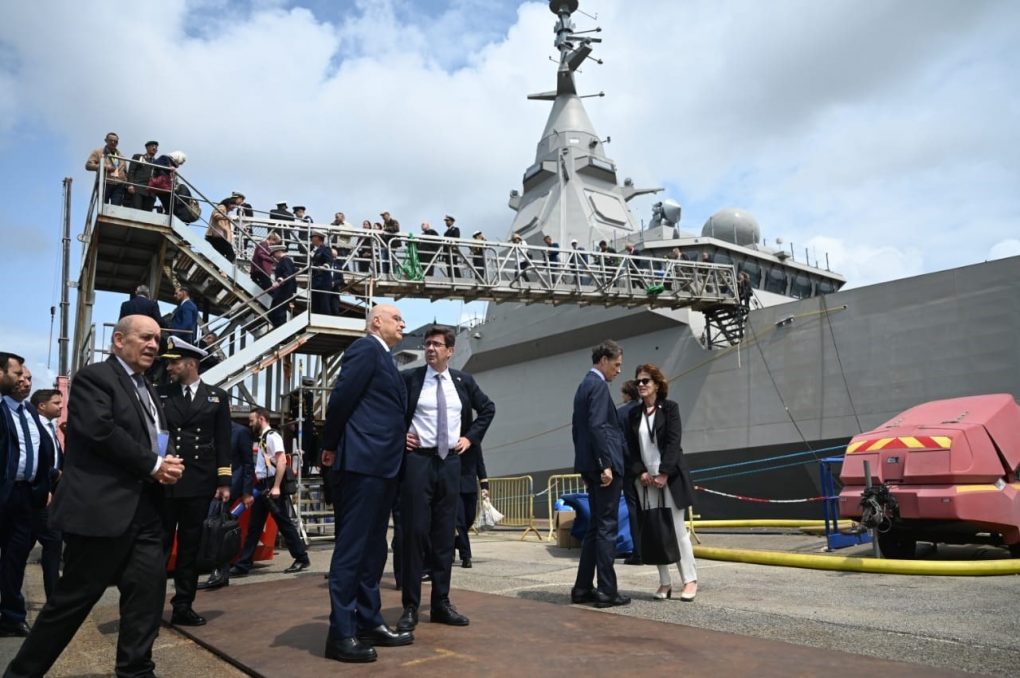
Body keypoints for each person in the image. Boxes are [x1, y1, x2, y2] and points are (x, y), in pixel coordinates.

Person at [3, 316, 185, 678]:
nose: (154, 345)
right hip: (104, 511)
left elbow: (154, 435)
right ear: (118, 340)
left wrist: (168, 460)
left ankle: (136, 670)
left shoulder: (147, 387)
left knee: (146, 596)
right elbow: (100, 430)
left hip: (148, 511)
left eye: (157, 339)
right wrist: (153, 464)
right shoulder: (95, 378)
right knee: (72, 601)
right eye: (145, 337)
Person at [320, 304, 412, 663]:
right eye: (397, 318)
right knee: (352, 550)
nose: (403, 323)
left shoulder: (384, 356)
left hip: (383, 466)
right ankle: (340, 633)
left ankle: (369, 622)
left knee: (374, 550)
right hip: (363, 463)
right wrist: (330, 445)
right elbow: (342, 398)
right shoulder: (365, 349)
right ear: (376, 321)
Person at [397, 326, 495, 633]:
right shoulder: (410, 379)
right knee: (414, 532)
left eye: (437, 345)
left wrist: (470, 438)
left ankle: (440, 602)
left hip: (451, 463)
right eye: (427, 344)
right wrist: (399, 434)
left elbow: (488, 409)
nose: (430, 349)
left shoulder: (463, 382)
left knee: (443, 536)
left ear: (450, 351)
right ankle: (410, 606)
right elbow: (388, 410)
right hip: (418, 462)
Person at [157, 338, 232, 627]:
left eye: (174, 363)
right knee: (159, 546)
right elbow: (157, 435)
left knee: (190, 547)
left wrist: (224, 481)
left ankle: (183, 605)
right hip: (166, 479)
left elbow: (223, 441)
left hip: (199, 481)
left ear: (191, 364)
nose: (169, 367)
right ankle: (150, 607)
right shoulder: (160, 394)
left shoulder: (216, 397)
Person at [624, 363, 697, 602]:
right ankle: (665, 582)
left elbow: (674, 442)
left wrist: (664, 473)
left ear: (657, 384)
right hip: (646, 481)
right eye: (638, 381)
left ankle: (690, 580)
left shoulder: (670, 408)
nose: (641, 385)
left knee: (676, 530)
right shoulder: (634, 414)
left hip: (669, 478)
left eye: (645, 381)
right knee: (654, 530)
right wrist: (641, 472)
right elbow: (631, 448)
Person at [569, 340, 630, 609]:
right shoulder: (599, 386)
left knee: (595, 528)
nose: (619, 370)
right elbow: (597, 426)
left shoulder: (584, 386)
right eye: (616, 364)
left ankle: (582, 588)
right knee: (607, 527)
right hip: (604, 466)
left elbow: (577, 429)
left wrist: (586, 466)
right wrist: (605, 463)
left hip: (590, 465)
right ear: (603, 360)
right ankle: (607, 590)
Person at [0, 360, 55, 635]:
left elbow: (41, 451)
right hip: (3, 492)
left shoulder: (30, 412)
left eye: (28, 377)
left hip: (25, 496)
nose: (25, 381)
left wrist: (45, 484)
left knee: (15, 557)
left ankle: (12, 616)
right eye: (19, 375)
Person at [229, 408, 310, 578]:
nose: (250, 424)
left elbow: (281, 461)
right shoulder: (264, 438)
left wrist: (276, 486)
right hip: (264, 485)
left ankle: (301, 558)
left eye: (252, 420)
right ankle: (244, 563)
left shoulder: (273, 436)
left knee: (283, 523)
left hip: (271, 484)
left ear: (261, 419)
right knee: (255, 526)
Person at [198, 407, 255, 591]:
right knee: (212, 527)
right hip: (211, 486)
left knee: (218, 527)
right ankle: (217, 570)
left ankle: (220, 571)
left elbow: (248, 463)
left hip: (230, 486)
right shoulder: (210, 430)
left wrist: (246, 492)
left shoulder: (241, 432)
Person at [28, 387, 64, 601]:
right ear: (42, 406)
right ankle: (54, 597)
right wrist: (54, 474)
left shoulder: (52, 428)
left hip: (52, 494)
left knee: (25, 545)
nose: (61, 406)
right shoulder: (35, 428)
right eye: (56, 403)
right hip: (39, 494)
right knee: (53, 541)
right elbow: (35, 459)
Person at [454, 422, 489, 569]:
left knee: (469, 518)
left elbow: (480, 463)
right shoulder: (452, 440)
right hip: (454, 486)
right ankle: (466, 556)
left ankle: (453, 543)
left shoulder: (474, 442)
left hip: (470, 486)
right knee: (460, 522)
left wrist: (484, 486)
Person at [618, 379, 643, 566]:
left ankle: (638, 552)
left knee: (633, 509)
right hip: (650, 467)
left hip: (629, 467)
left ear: (627, 394)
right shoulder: (646, 410)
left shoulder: (620, 413)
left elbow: (619, 442)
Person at [85, 132, 129, 205]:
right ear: (106, 140)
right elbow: (88, 165)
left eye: (115, 141)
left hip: (119, 185)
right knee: (103, 207)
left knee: (115, 209)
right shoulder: (98, 152)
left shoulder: (121, 156)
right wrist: (104, 166)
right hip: (104, 183)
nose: (113, 142)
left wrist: (126, 184)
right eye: (111, 140)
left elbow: (125, 172)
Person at [268, 244, 297, 328]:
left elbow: (287, 274)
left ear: (278, 252)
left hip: (284, 291)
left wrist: (279, 281)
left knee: (278, 313)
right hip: (282, 291)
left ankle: (281, 330)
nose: (273, 257)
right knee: (273, 313)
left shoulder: (285, 260)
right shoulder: (284, 260)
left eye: (274, 254)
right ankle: (279, 329)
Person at [126, 140, 159, 211]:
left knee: (147, 214)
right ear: (147, 148)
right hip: (138, 189)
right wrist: (130, 185)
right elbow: (131, 171)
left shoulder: (157, 162)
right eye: (152, 146)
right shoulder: (138, 157)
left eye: (156, 147)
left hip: (151, 193)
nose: (154, 148)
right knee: (136, 211)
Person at [309, 231, 334, 315]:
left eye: (313, 237)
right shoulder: (315, 250)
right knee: (316, 303)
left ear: (318, 238)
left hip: (323, 281)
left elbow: (329, 260)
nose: (311, 239)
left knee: (324, 303)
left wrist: (325, 266)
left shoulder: (325, 249)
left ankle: (325, 319)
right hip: (316, 281)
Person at [206, 197, 237, 262]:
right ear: (229, 203)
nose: (234, 207)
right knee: (231, 254)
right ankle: (224, 268)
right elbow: (216, 215)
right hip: (217, 236)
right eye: (233, 205)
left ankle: (217, 267)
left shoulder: (225, 210)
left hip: (215, 236)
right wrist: (226, 217)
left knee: (220, 254)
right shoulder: (222, 207)